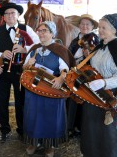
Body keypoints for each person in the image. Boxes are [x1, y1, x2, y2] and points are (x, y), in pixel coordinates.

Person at [0, 2, 39, 143]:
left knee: (21, 102)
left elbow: (37, 44)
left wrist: (25, 49)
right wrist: (1, 53)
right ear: (3, 16)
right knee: (1, 102)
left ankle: (22, 130)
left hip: (21, 72)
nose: (10, 16)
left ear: (18, 15)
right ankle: (4, 130)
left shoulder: (26, 28)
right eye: (7, 13)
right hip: (2, 72)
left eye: (12, 13)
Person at [80, 13, 117, 157]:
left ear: (114, 30)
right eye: (100, 27)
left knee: (110, 135)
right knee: (94, 132)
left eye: (104, 27)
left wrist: (103, 82)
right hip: (95, 94)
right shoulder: (99, 46)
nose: (100, 30)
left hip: (113, 96)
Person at [22, 21, 76, 157]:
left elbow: (66, 70)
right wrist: (27, 64)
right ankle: (33, 143)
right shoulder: (34, 49)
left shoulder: (60, 50)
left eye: (44, 30)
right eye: (39, 31)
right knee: (34, 116)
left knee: (50, 118)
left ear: (52, 33)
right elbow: (24, 69)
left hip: (52, 91)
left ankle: (49, 146)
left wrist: (60, 78)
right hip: (33, 91)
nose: (41, 33)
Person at [67, 14, 99, 138]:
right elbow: (69, 55)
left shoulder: (96, 40)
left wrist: (88, 57)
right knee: (72, 100)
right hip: (74, 74)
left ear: (91, 26)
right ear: (79, 26)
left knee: (85, 101)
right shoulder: (75, 40)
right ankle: (71, 127)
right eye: (82, 24)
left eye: (87, 24)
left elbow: (98, 61)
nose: (85, 26)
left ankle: (83, 128)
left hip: (88, 75)